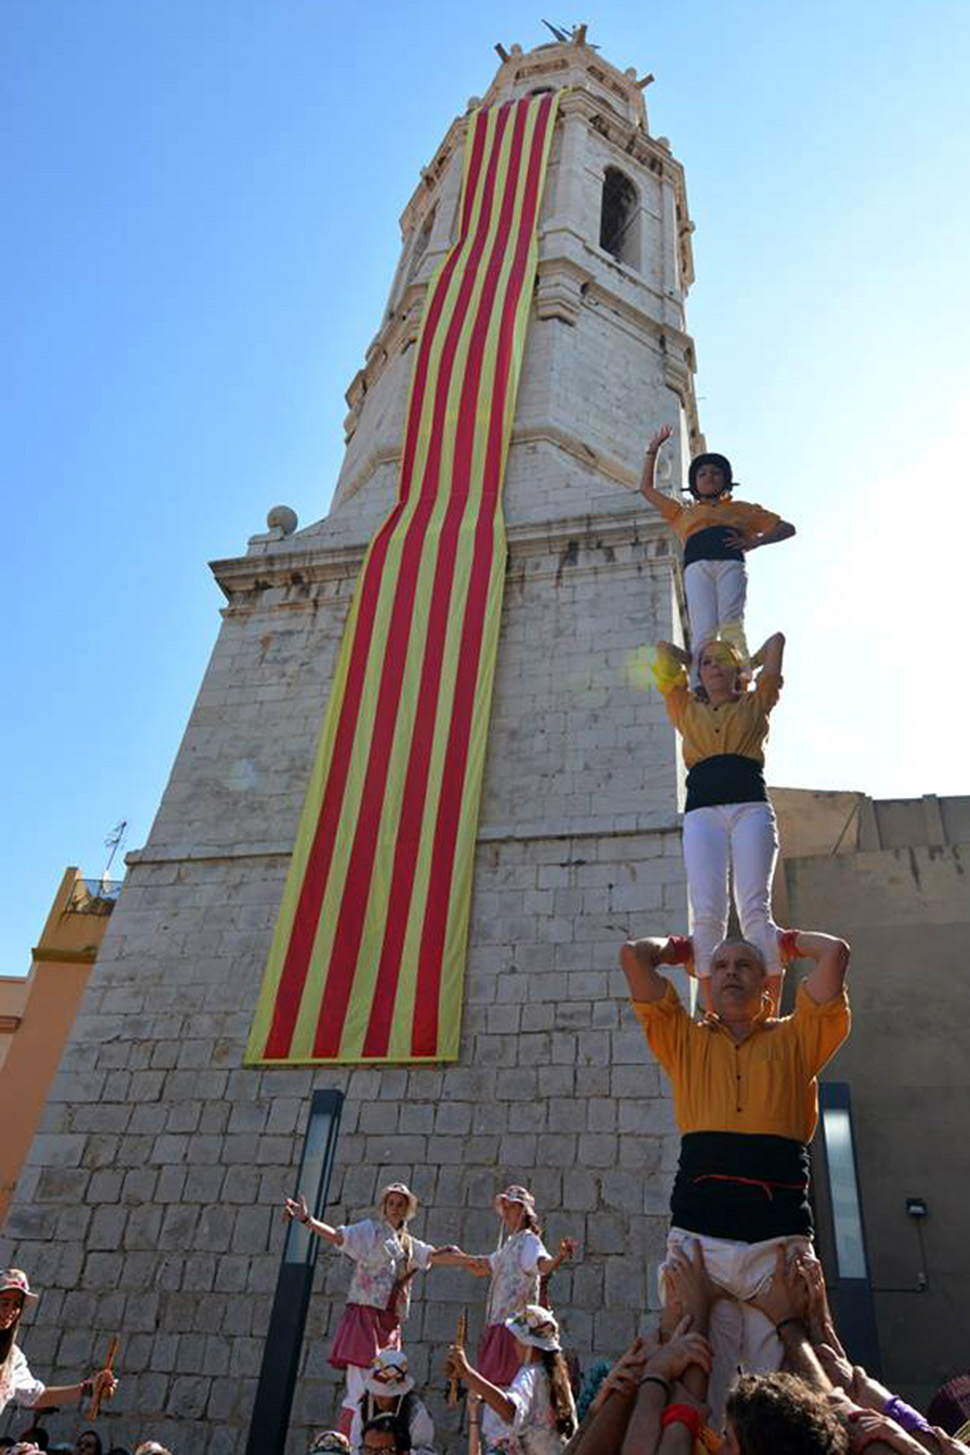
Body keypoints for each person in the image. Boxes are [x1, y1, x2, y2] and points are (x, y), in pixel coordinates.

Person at [620, 929, 850, 1423]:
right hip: (701, 1248)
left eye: (744, 965)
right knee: (694, 1392)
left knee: (793, 1407)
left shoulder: (797, 1038)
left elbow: (834, 954)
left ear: (767, 988)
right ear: (705, 986)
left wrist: (783, 943)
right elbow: (635, 957)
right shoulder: (683, 1039)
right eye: (719, 966)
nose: (730, 973)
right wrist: (683, 950)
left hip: (778, 1246)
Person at [650, 631, 786, 1010]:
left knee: (755, 907)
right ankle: (713, 1012)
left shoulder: (756, 702)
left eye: (720, 661)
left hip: (749, 809)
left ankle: (768, 1010)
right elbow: (663, 651)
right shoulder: (684, 707)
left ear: (735, 670)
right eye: (706, 663)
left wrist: (745, 663)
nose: (713, 668)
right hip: (702, 814)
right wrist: (695, 655)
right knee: (707, 911)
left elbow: (776, 642)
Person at [283, 1182, 465, 1437]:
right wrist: (307, 1220)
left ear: (407, 1209)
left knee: (386, 1389)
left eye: (400, 1204)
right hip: (365, 1319)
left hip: (389, 1325)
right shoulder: (369, 1231)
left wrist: (472, 1262)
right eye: (391, 1203)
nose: (395, 1208)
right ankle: (349, 1445)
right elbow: (338, 1237)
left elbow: (432, 1257)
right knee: (359, 1390)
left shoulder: (409, 1245)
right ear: (384, 1206)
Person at [639, 425, 795, 684]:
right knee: (703, 629)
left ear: (725, 479)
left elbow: (787, 528)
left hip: (730, 563)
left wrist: (755, 541)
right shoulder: (683, 513)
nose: (709, 476)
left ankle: (741, 679)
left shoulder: (742, 509)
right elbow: (646, 489)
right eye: (702, 473)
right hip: (696, 567)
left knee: (732, 622)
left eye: (715, 473)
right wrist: (652, 451)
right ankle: (700, 684)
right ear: (694, 483)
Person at [451, 1187, 577, 1385]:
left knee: (507, 1386)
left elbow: (542, 1264)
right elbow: (482, 1267)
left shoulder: (528, 1242)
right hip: (498, 1326)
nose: (507, 1212)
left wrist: (559, 1257)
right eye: (506, 1207)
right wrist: (456, 1258)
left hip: (514, 1330)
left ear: (523, 1212)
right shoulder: (509, 1246)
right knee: (494, 1385)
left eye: (512, 1207)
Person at [446, 1304, 577, 1455]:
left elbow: (511, 1411)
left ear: (530, 1345)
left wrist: (467, 1372)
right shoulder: (558, 1381)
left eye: (518, 1340)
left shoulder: (530, 1375)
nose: (515, 1346)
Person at [0, 1271, 118, 1421]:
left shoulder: (13, 1357)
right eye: (4, 1303)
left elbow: (37, 1396)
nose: (10, 1311)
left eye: (17, 1305)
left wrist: (90, 1388)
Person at [351, 1350, 434, 1455]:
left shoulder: (417, 1414)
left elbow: (425, 1451)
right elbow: (355, 1447)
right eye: (376, 1392)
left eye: (386, 1395)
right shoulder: (363, 1410)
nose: (379, 1398)